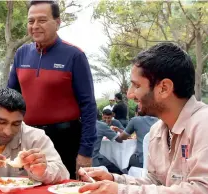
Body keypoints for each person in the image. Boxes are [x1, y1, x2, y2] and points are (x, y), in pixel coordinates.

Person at [78, 43, 208, 193]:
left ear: (164, 88)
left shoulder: (203, 124)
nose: (130, 94)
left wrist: (121, 191)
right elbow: (157, 182)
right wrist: (114, 180)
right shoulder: (157, 131)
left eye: (136, 86)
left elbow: (202, 189)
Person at [7, 0, 97, 178]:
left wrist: (85, 152)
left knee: (64, 188)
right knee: (26, 187)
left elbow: (88, 106)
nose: (35, 26)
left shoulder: (75, 55)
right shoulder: (21, 53)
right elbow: (9, 98)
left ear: (57, 22)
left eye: (42, 20)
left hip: (66, 139)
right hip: (28, 138)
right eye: (31, 21)